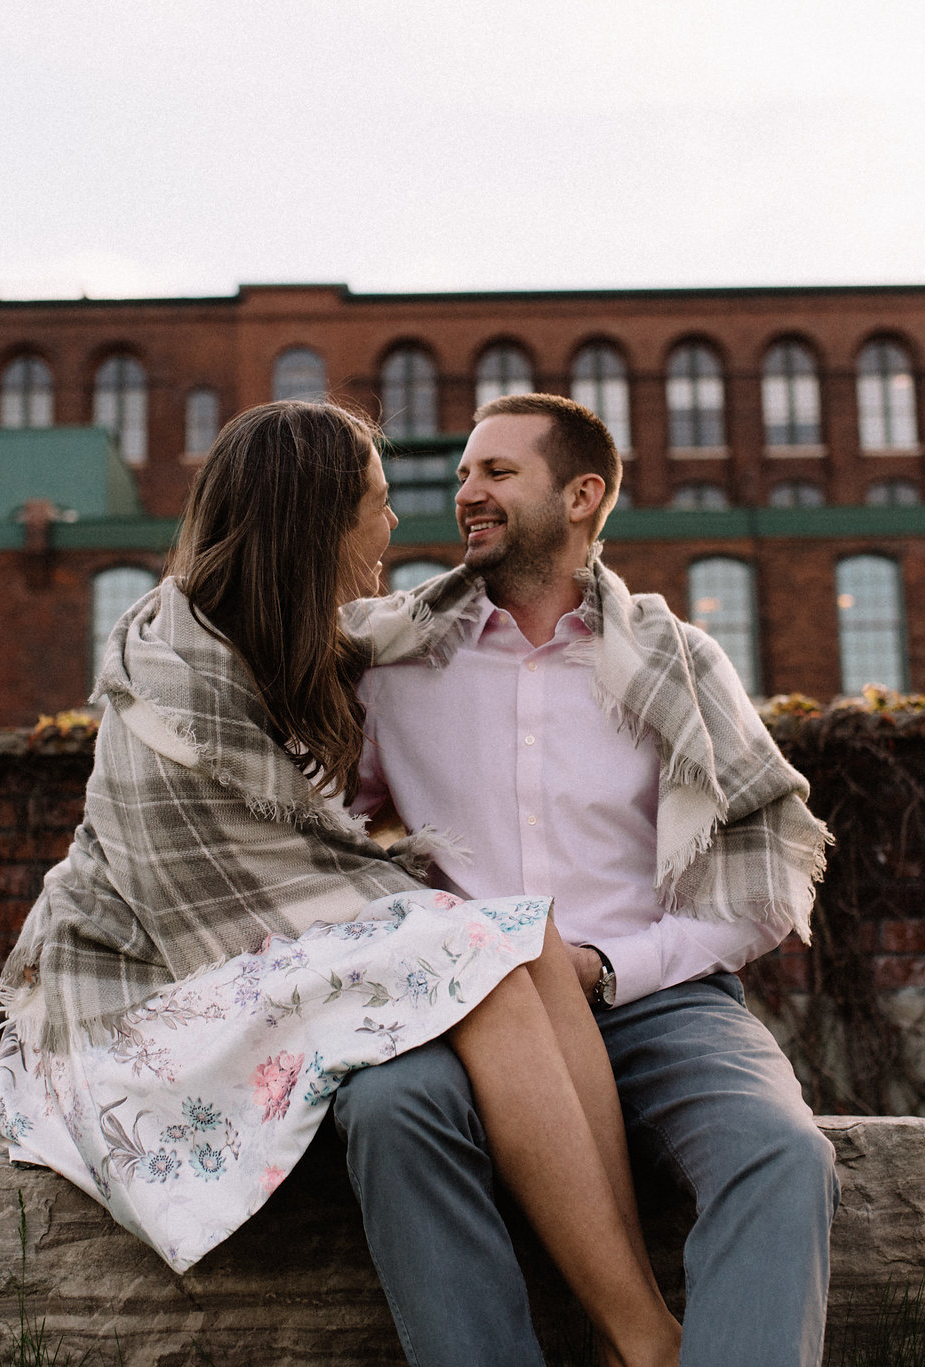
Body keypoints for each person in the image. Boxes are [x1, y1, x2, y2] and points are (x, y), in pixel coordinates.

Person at [0, 400, 682, 1364]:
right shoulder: (170, 659)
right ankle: (648, 1336)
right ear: (316, 517)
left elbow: (418, 621)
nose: (395, 525)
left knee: (519, 937)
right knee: (480, 945)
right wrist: (433, 924)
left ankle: (635, 1327)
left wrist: (578, 591)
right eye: (377, 500)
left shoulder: (308, 635)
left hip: (255, 959)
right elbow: (217, 895)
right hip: (140, 991)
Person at [338, 391, 838, 1366]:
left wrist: (605, 965)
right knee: (386, 1111)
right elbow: (327, 830)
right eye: (460, 476)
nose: (466, 493)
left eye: (495, 472)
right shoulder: (389, 659)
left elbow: (758, 886)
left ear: (581, 494)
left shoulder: (676, 663)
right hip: (461, 1009)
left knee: (782, 1154)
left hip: (661, 999)